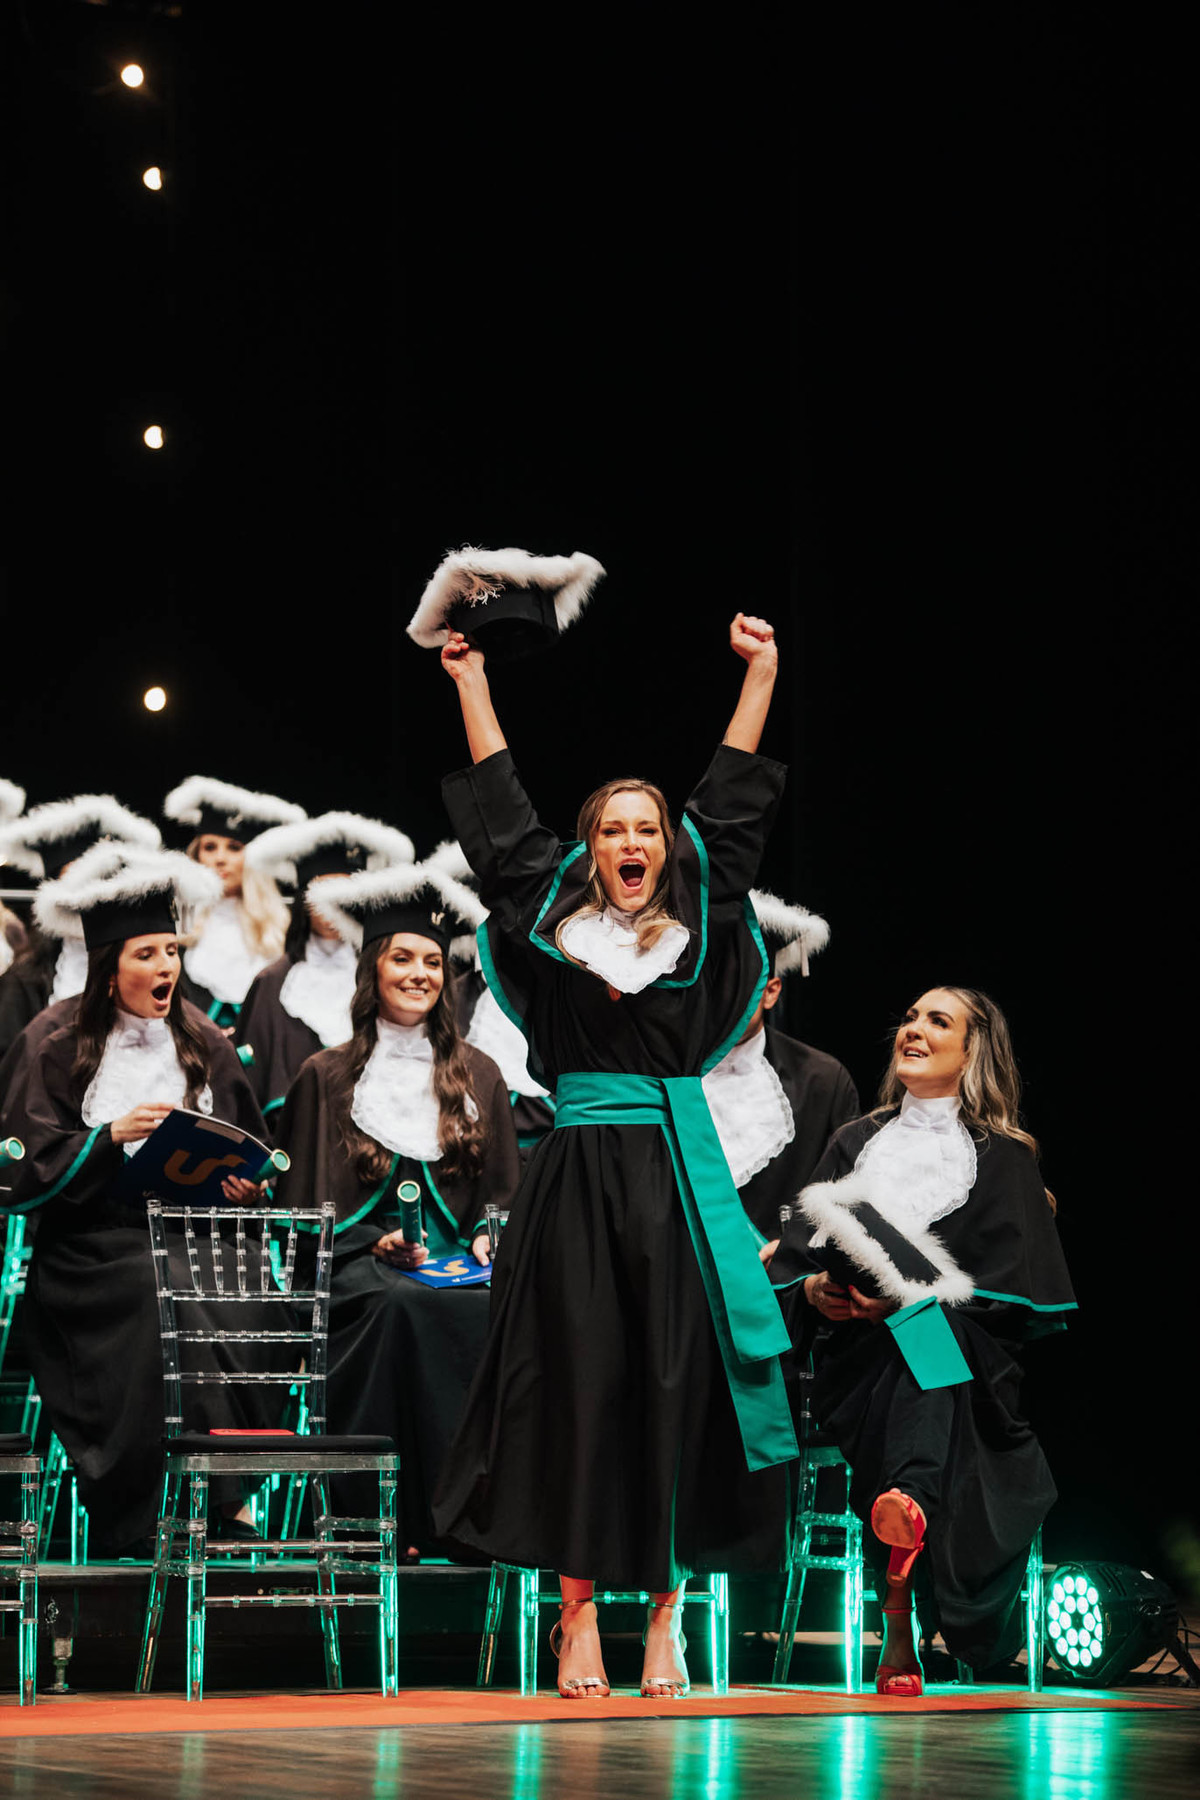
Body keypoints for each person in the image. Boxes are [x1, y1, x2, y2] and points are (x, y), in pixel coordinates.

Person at [432, 612, 798, 1700]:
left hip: (676, 1182)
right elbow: (504, 824)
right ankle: (578, 1612)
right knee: (580, 1388)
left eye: (647, 829)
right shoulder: (556, 927)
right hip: (579, 1183)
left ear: (664, 848)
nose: (632, 843)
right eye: (612, 831)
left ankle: (667, 1616)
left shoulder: (698, 921)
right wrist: (471, 682)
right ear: (591, 851)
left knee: (673, 1388)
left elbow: (732, 808)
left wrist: (761, 677)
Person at [767, 986, 1076, 1692]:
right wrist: (816, 1292)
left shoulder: (1004, 1158)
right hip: (859, 1363)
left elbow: (1014, 1295)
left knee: (928, 1337)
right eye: (910, 1017)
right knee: (916, 1349)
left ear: (972, 1052)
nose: (914, 1029)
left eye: (938, 1021)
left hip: (970, 1367)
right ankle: (904, 1519)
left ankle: (899, 1601)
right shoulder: (854, 1143)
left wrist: (908, 1300)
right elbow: (795, 1263)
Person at [2, 843, 291, 1554]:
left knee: (248, 1291)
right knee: (161, 1290)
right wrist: (108, 1137)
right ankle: (170, 1504)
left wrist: (244, 1184)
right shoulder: (52, 1041)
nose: (166, 967)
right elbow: (28, 1166)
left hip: (198, 1235)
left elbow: (252, 1149)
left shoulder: (202, 1039)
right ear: (110, 968)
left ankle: (227, 1483)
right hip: (93, 1253)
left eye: (171, 951)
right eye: (146, 954)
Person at [272, 861, 519, 1555]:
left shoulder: (480, 1073)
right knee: (402, 1305)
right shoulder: (325, 1076)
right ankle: (397, 1520)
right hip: (357, 1271)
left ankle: (473, 1520)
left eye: (433, 962)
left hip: (455, 1266)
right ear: (372, 969)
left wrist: (486, 1239)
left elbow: (500, 1196)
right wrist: (373, 1242)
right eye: (402, 958)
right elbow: (302, 1220)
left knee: (486, 1307)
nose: (420, 974)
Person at [236, 812, 414, 1123]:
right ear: (304, 898)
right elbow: (248, 1088)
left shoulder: (384, 979)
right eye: (323, 892)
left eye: (343, 893)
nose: (333, 907)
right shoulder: (272, 983)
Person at [702, 888, 859, 1240]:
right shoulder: (666, 1073)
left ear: (771, 992)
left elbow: (844, 1194)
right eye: (714, 985)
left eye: (739, 985)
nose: (725, 999)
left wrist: (794, 1253)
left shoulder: (822, 1080)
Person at [0, 794, 162, 1057]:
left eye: (97, 879)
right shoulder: (24, 980)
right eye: (75, 879)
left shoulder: (151, 966)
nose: (87, 896)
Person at [163, 777, 303, 1030]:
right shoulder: (175, 925)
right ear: (197, 854)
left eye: (234, 848)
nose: (220, 858)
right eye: (210, 847)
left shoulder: (284, 929)